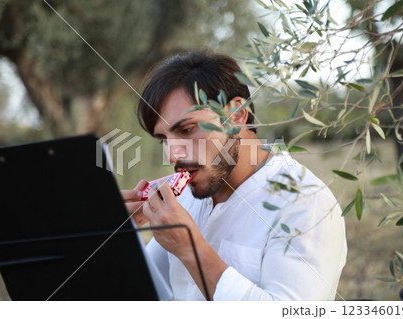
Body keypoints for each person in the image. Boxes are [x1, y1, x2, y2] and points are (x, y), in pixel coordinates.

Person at [121, 50, 347, 301]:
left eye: (186, 130)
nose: (172, 155)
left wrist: (190, 249)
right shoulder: (186, 197)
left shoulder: (305, 204)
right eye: (164, 139)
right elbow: (140, 292)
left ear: (237, 115)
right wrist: (117, 231)